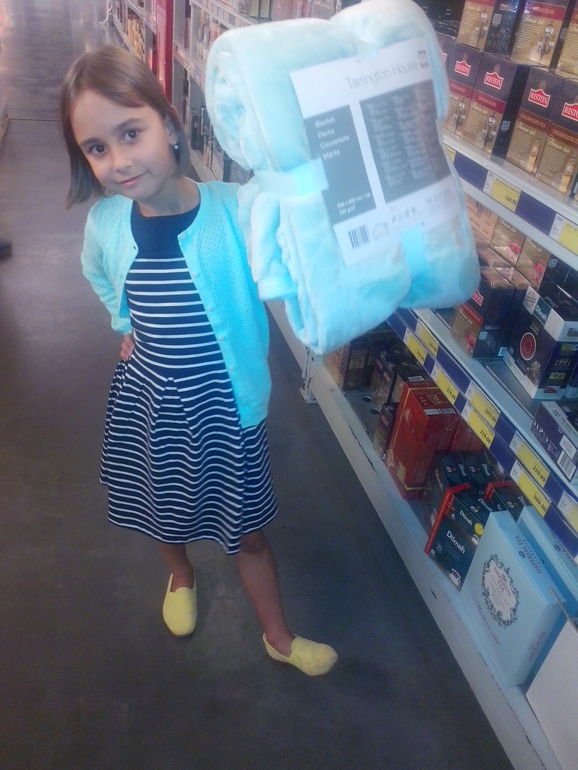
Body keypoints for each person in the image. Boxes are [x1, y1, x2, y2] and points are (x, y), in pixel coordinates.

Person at [59, 45, 337, 676]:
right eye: (97, 148)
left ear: (170, 123)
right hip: (151, 398)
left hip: (225, 407)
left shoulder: (236, 212)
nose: (119, 160)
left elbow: (296, 255)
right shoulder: (106, 224)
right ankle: (180, 574)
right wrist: (125, 323)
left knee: (249, 530)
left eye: (131, 133)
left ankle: (278, 637)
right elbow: (98, 272)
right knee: (165, 503)